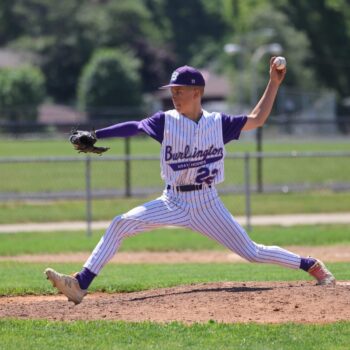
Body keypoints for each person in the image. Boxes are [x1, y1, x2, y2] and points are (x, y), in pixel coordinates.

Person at [45, 59, 335, 304]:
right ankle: (80, 284)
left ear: (197, 92)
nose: (174, 95)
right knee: (121, 223)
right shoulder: (165, 121)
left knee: (252, 252)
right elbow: (134, 126)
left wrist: (274, 82)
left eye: (180, 90)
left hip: (207, 202)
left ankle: (310, 264)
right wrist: (98, 134)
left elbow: (257, 119)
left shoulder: (218, 123)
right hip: (172, 201)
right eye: (172, 90)